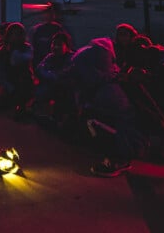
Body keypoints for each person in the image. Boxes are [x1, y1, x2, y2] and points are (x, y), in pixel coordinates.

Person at [65, 37, 148, 177]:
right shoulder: (103, 63)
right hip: (112, 99)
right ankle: (118, 156)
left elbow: (88, 77)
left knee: (96, 125)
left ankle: (116, 160)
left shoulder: (91, 59)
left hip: (108, 101)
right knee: (104, 125)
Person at [0, 22, 35, 117]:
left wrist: (14, 52)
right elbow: (1, 74)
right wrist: (10, 88)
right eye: (15, 34)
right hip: (9, 81)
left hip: (25, 81)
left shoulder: (27, 48)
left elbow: (24, 59)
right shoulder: (1, 51)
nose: (17, 37)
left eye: (19, 34)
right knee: (1, 103)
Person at [34, 31, 76, 123]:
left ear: (67, 46)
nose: (55, 47)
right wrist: (51, 75)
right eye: (54, 44)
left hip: (67, 89)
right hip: (52, 86)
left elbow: (64, 74)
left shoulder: (72, 58)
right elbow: (39, 69)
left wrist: (51, 75)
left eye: (59, 44)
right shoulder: (50, 57)